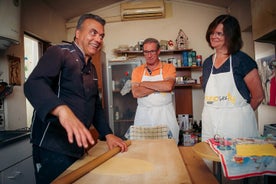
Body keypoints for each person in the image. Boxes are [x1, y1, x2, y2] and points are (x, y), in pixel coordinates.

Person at [24, 13, 128, 184]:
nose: (98, 39)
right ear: (78, 33)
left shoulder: (91, 68)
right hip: (52, 147)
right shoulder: (59, 52)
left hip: (77, 148)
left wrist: (107, 134)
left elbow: (95, 105)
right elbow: (33, 84)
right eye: (93, 33)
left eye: (101, 35)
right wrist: (61, 110)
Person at [201, 14, 264, 141]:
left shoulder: (242, 60)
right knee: (211, 157)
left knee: (237, 159)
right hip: (210, 122)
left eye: (219, 33)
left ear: (230, 35)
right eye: (212, 33)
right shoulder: (207, 63)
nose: (213, 36)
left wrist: (239, 115)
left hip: (237, 125)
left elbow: (258, 96)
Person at [130, 38, 179, 143]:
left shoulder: (169, 68)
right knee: (142, 150)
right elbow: (136, 93)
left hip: (164, 114)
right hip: (143, 115)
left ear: (158, 51)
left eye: (152, 51)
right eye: (146, 52)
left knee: (167, 151)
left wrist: (143, 84)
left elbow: (168, 86)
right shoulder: (137, 71)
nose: (149, 55)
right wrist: (158, 86)